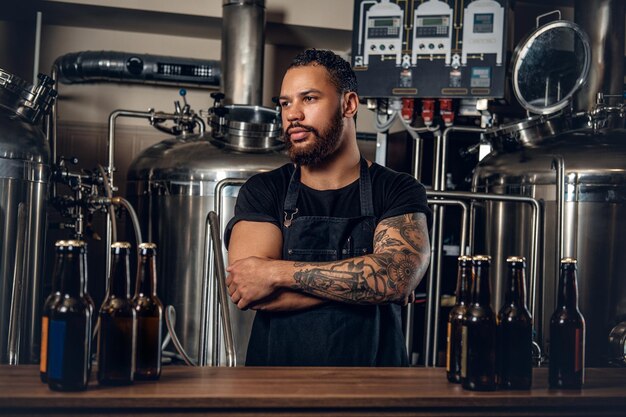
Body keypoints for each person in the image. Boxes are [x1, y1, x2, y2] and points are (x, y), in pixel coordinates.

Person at [224, 49, 431, 367]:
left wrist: (275, 272)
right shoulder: (264, 190)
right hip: (278, 389)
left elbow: (396, 275)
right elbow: (252, 291)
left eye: (308, 99)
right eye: (285, 103)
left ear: (348, 104)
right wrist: (373, 286)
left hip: (376, 390)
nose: (293, 114)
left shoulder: (397, 189)